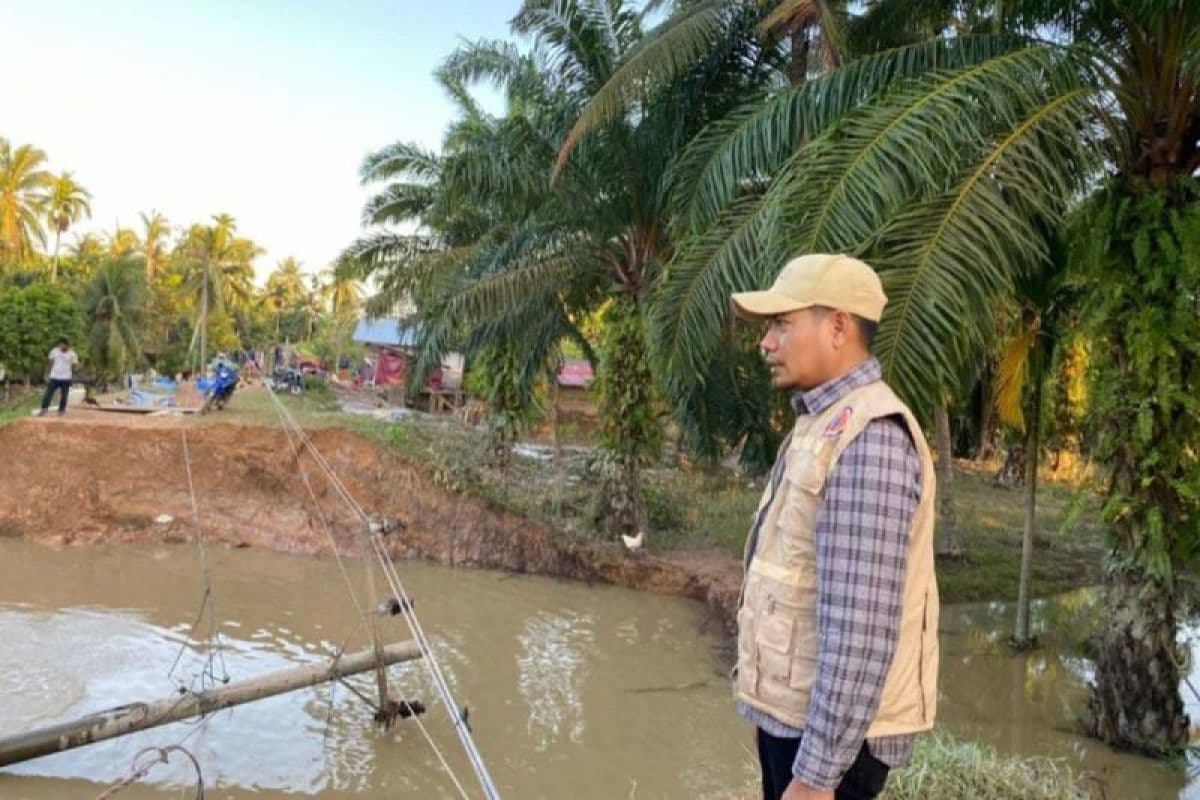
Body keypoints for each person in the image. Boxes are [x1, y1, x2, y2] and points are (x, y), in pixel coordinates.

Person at [729, 253, 939, 800]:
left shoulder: (869, 438)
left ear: (839, 327)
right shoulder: (822, 423)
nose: (766, 343)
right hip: (799, 721)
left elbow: (860, 629)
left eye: (782, 324)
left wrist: (816, 778)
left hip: (831, 749)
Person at [39, 337, 79, 417]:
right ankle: (44, 409)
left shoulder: (72, 354)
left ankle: (61, 410)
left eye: (63, 345)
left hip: (66, 378)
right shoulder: (54, 351)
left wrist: (71, 375)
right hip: (54, 376)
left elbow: (74, 366)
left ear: (67, 345)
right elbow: (50, 362)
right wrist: (49, 372)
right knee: (48, 393)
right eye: (60, 345)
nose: (61, 346)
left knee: (64, 395)